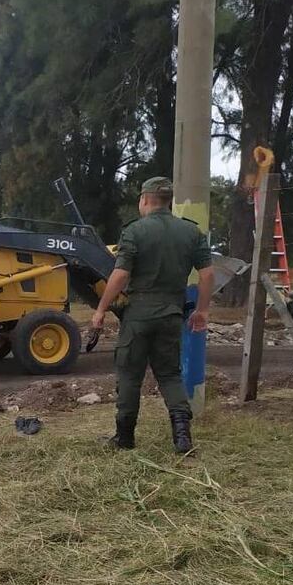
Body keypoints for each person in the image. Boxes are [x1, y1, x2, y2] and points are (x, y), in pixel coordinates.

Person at [90, 177, 214, 453]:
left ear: (145, 200)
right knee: (170, 374)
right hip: (172, 313)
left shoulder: (135, 231)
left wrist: (101, 309)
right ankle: (182, 436)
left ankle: (125, 438)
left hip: (138, 315)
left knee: (130, 374)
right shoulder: (191, 233)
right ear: (168, 200)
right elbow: (207, 274)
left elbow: (120, 274)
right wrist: (203, 310)